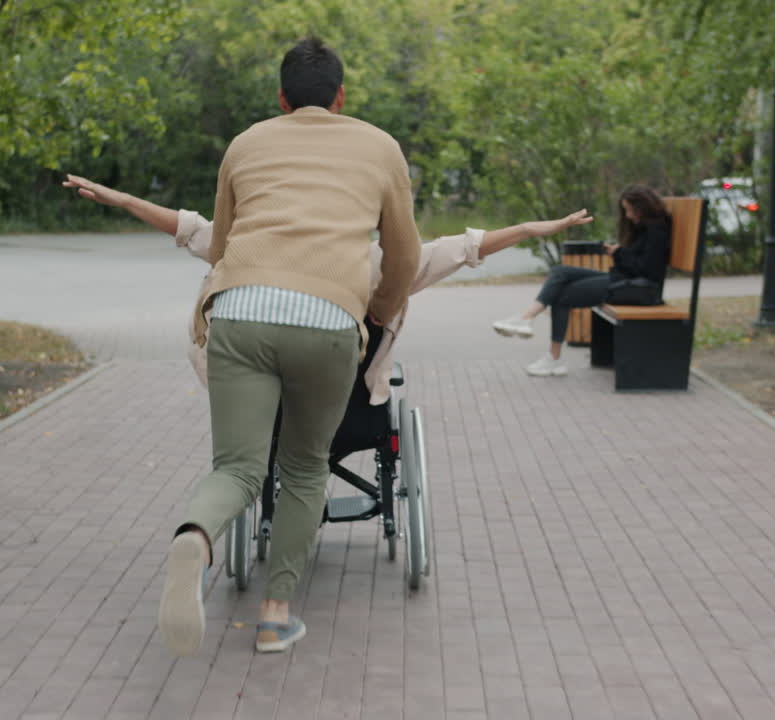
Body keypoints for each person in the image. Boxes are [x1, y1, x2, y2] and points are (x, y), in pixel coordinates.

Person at [154, 36, 422, 657]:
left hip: (240, 312)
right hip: (328, 317)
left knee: (239, 469)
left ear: (280, 99)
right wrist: (377, 313)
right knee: (305, 467)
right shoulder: (379, 146)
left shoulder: (246, 143)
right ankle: (276, 616)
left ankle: (195, 536)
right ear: (341, 96)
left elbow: (221, 245)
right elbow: (405, 254)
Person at [62, 173, 594, 399]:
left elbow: (191, 229)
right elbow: (465, 247)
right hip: (348, 396)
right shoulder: (382, 264)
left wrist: (125, 201)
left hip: (263, 389)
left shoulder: (263, 252)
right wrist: (528, 229)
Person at [492, 184, 671, 377]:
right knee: (561, 271)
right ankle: (527, 319)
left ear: (642, 207)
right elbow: (638, 263)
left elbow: (647, 271)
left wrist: (619, 253)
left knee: (561, 296)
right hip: (625, 281)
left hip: (639, 289)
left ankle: (548, 350)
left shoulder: (657, 231)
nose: (627, 215)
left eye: (629, 210)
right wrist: (621, 252)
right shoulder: (645, 228)